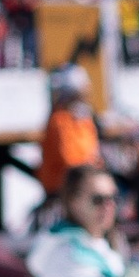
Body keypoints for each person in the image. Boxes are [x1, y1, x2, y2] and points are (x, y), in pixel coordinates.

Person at [37, 63, 103, 204]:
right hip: (64, 192)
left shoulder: (83, 119)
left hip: (82, 186)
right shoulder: (60, 121)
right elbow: (71, 161)